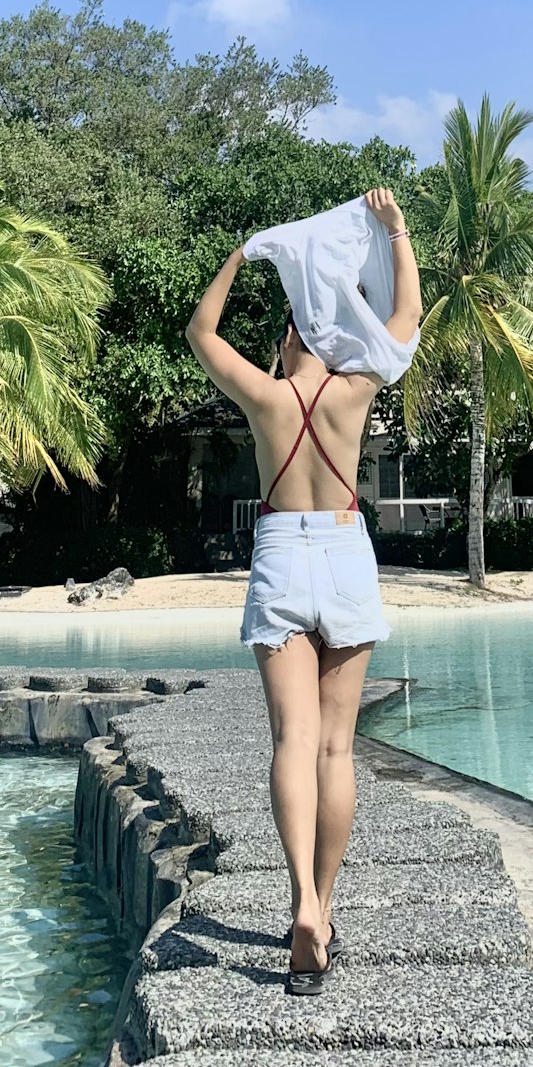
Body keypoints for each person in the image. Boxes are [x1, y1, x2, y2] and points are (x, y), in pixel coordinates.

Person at [184, 188, 421, 994]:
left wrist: (243, 255)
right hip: (347, 550)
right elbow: (407, 320)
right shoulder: (359, 391)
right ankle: (325, 903)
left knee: (291, 741)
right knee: (336, 749)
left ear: (291, 343)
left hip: (283, 551)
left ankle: (305, 909)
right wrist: (395, 230)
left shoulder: (266, 397)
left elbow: (200, 333)